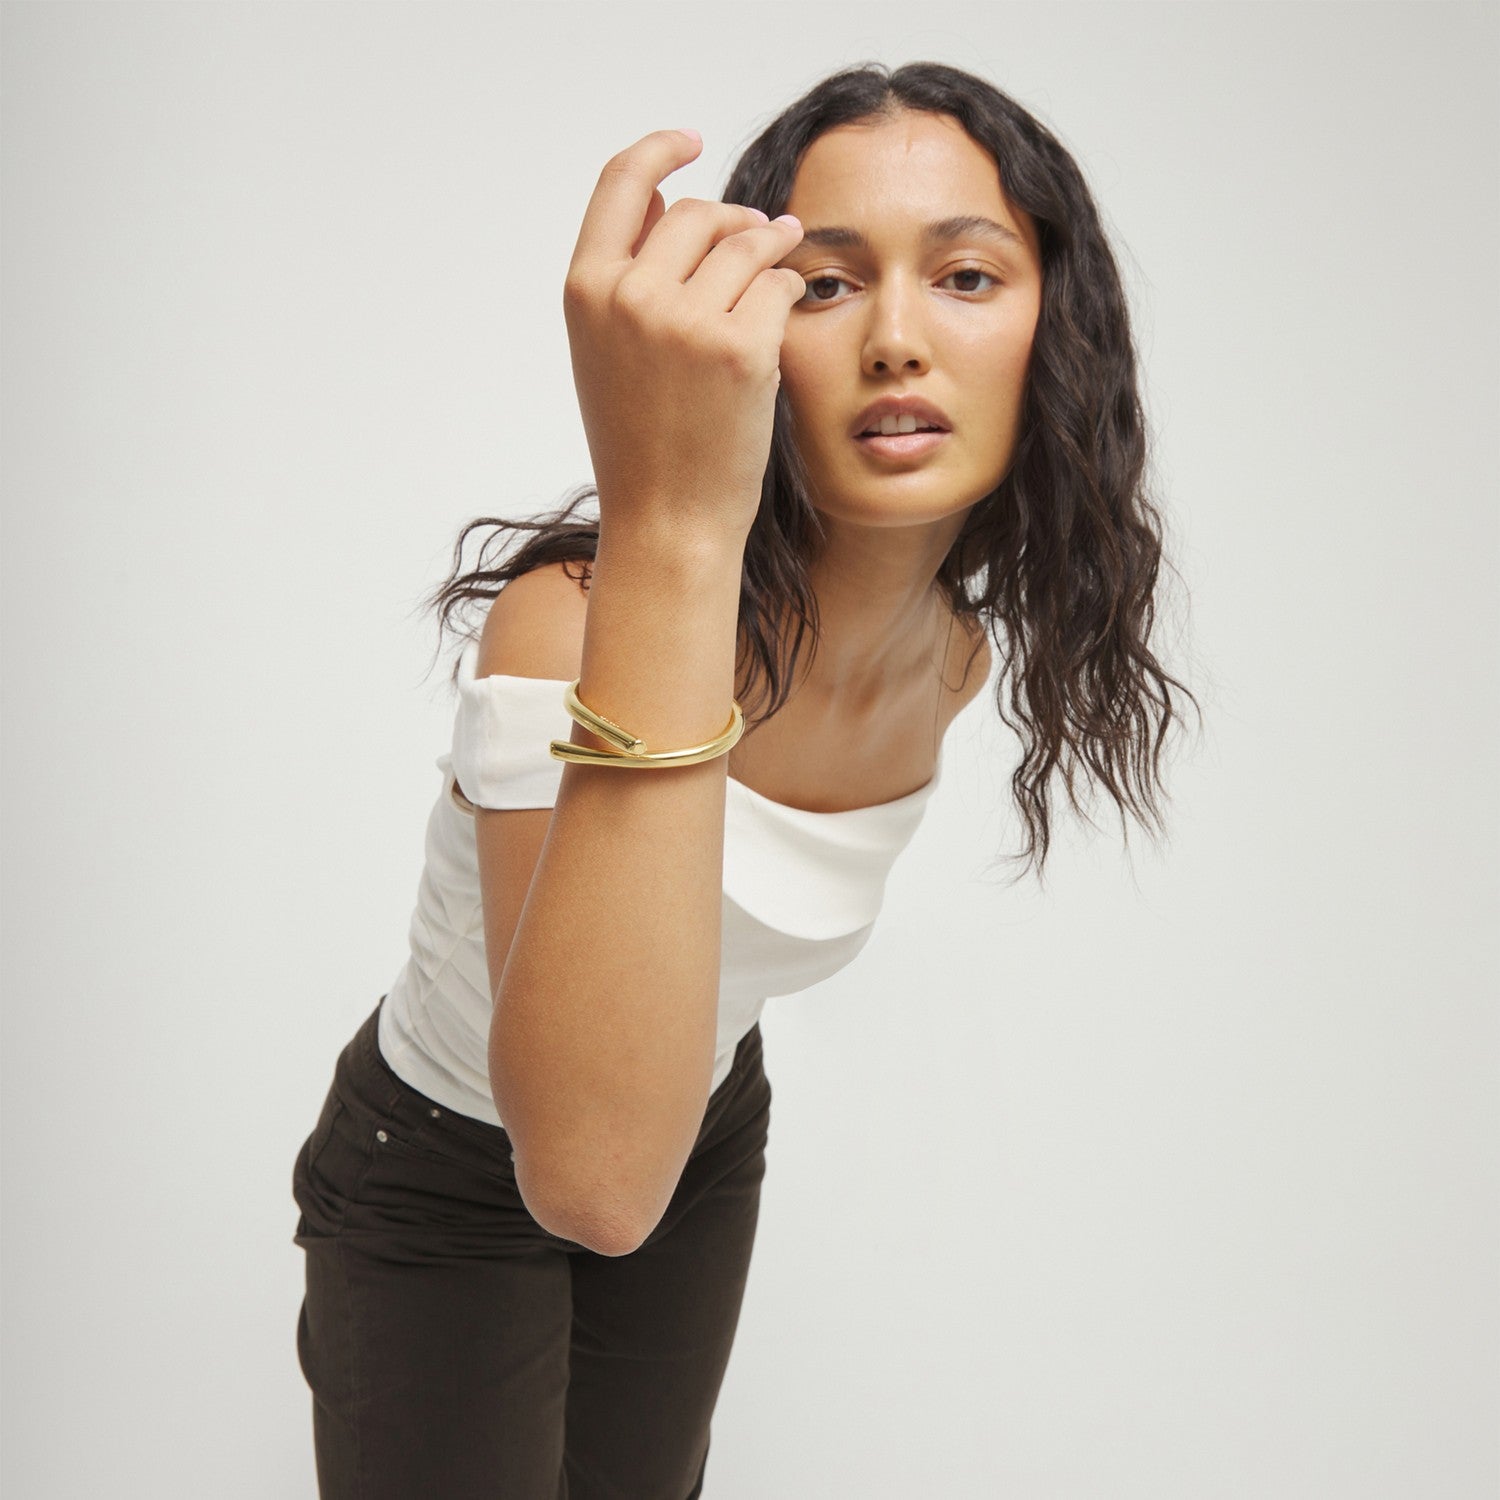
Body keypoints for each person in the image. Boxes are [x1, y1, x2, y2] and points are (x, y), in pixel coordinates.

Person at [290, 59, 1198, 1500]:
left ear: (1058, 331)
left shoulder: (954, 656)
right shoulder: (578, 621)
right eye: (825, 285)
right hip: (444, 1166)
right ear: (747, 328)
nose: (896, 339)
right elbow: (591, 1175)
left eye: (966, 276)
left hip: (705, 1130)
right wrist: (671, 517)